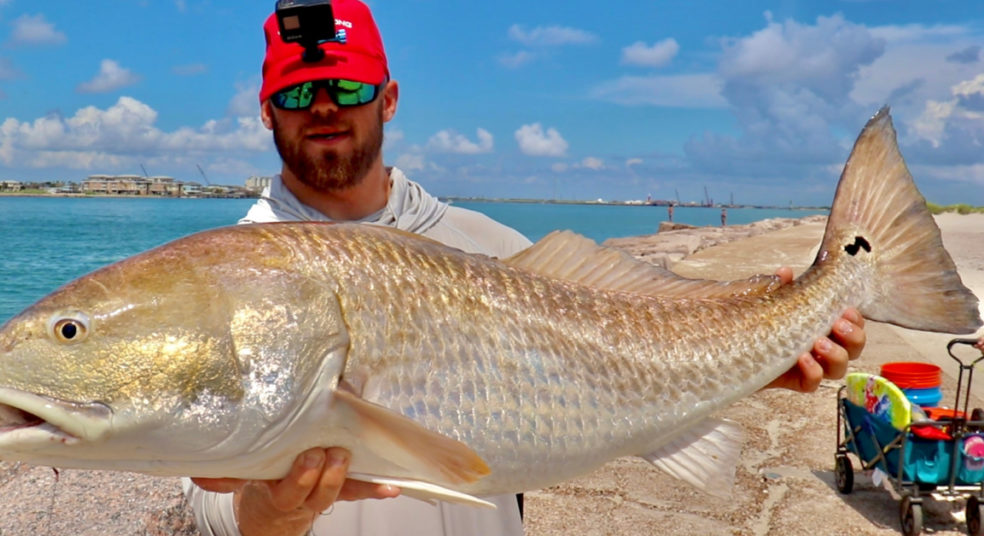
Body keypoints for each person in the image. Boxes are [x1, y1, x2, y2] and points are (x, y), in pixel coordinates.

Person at [185, 1, 867, 534]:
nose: (325, 106)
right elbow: (200, 490)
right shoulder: (222, 278)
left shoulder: (488, 246)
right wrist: (270, 518)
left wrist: (757, 357)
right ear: (268, 111)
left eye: (346, 86)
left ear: (388, 98)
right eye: (300, 94)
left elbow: (621, 374)